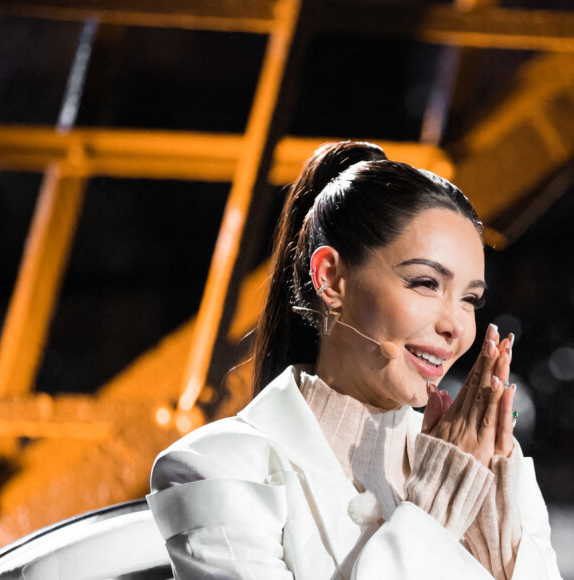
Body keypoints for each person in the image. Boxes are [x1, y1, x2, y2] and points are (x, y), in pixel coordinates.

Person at [147, 141, 562, 579]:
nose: (456, 326)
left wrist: (496, 547)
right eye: (425, 283)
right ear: (330, 279)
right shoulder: (213, 467)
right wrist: (433, 514)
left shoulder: (489, 467)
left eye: (470, 299)